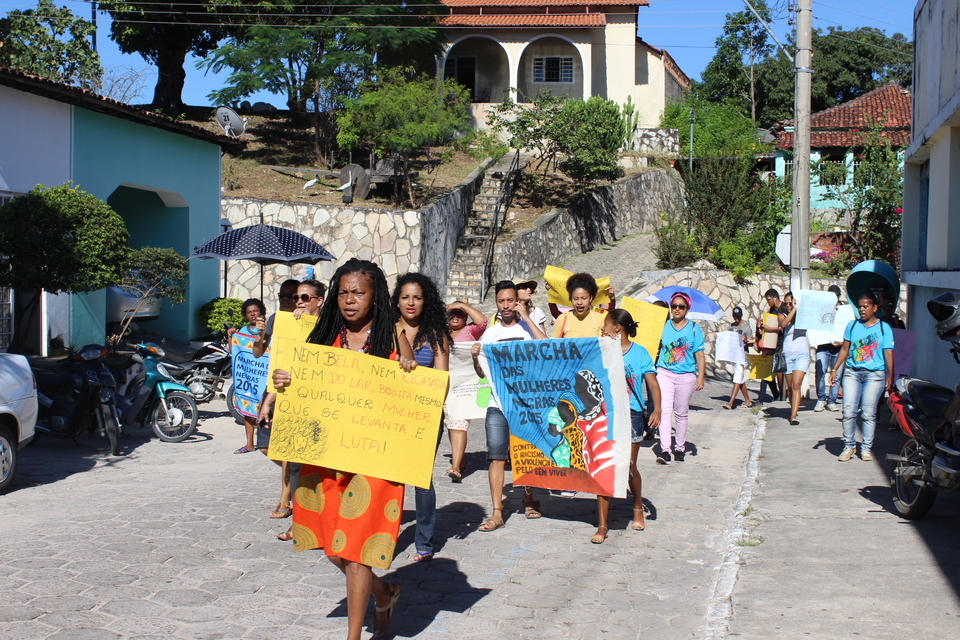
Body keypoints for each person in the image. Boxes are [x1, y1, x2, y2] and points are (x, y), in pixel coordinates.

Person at [272, 258, 417, 640]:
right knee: (333, 547)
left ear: (375, 297)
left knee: (354, 552)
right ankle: (384, 592)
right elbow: (301, 385)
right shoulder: (322, 339)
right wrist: (285, 380)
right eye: (343, 292)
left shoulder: (391, 337)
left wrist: (407, 372)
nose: (349, 300)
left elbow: (413, 394)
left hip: (374, 459)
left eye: (359, 292)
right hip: (327, 458)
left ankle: (354, 636)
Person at [470, 280, 548, 531]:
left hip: (525, 402)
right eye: (501, 301)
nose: (505, 306)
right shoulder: (491, 333)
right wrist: (475, 357)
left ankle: (528, 498)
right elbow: (482, 373)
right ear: (496, 303)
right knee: (496, 457)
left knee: (525, 452)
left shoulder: (527, 328)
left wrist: (526, 317)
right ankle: (496, 512)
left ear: (518, 301)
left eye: (510, 301)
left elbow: (547, 347)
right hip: (497, 403)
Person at [392, 273, 451, 563]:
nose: (411, 302)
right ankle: (384, 535)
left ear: (425, 300)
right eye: (405, 297)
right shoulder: (386, 329)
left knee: (420, 476)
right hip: (388, 414)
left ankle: (424, 541)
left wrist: (429, 408)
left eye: (417, 297)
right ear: (397, 300)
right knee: (389, 475)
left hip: (425, 415)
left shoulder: (436, 334)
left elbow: (443, 378)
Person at [259, 280, 324, 537]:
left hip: (323, 405)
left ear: (319, 300)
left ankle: (322, 520)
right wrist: (268, 403)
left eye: (305, 297)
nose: (299, 302)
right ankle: (300, 523)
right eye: (297, 297)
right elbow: (284, 366)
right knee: (296, 463)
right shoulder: (290, 325)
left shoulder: (331, 326)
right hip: (294, 403)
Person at [592, 310, 661, 544]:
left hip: (631, 415)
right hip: (606, 414)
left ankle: (638, 506)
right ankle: (602, 524)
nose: (603, 329)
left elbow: (653, 384)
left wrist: (657, 409)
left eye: (606, 325)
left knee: (629, 465)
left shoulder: (640, 353)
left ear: (618, 328)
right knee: (605, 466)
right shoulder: (601, 350)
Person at [828, 293, 894, 462]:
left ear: (875, 308)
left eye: (865, 306)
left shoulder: (883, 328)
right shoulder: (852, 326)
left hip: (875, 375)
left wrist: (890, 376)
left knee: (868, 413)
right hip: (852, 373)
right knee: (849, 411)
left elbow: (888, 353)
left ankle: (865, 448)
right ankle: (849, 446)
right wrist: (835, 369)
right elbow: (844, 349)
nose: (862, 310)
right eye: (859, 306)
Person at [655, 292, 705, 464]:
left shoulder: (694, 328)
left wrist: (701, 377)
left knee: (681, 413)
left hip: (686, 376)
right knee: (664, 410)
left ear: (687, 309)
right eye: (674, 306)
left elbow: (699, 355)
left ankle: (680, 448)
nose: (677, 309)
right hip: (664, 373)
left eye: (681, 306)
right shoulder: (662, 326)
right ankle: (665, 450)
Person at [445, 301, 488, 481]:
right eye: (452, 313)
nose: (456, 316)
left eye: (460, 314)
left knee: (458, 422)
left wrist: (462, 306)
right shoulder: (442, 333)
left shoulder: (470, 331)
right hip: (447, 385)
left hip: (466, 386)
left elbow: (483, 322)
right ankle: (460, 460)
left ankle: (455, 466)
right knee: (451, 421)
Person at [233, 298, 266, 455]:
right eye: (249, 312)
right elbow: (234, 351)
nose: (253, 314)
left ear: (261, 311)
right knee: (249, 410)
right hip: (249, 377)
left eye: (255, 310)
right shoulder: (242, 332)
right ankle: (249, 444)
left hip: (265, 376)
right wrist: (230, 336)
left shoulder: (269, 328)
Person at [779, 292, 810, 425]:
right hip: (788, 355)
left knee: (796, 384)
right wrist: (794, 310)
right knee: (790, 387)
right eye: (786, 303)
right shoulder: (782, 315)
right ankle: (793, 409)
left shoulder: (804, 317)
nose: (788, 305)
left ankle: (794, 415)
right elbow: (784, 324)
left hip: (801, 354)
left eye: (791, 303)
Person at [252, 279, 300, 359]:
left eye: (290, 295)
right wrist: (262, 332)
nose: (285, 298)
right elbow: (257, 354)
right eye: (282, 295)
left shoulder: (306, 320)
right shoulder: (274, 319)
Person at [814, 285, 844, 412]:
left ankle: (831, 401)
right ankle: (821, 399)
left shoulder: (844, 310)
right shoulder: (820, 307)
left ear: (838, 296)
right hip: (823, 346)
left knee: (836, 375)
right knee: (820, 372)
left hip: (839, 348)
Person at [552, 272, 607, 338]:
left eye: (584, 298)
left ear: (590, 298)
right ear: (570, 298)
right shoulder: (562, 319)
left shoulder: (601, 319)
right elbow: (554, 345)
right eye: (575, 298)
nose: (579, 302)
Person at [756, 289, 785, 411]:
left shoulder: (783, 309)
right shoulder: (772, 311)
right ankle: (777, 395)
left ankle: (783, 396)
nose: (767, 302)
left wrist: (770, 328)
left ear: (774, 298)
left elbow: (783, 327)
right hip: (774, 344)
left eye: (768, 299)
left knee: (780, 370)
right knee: (771, 370)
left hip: (783, 343)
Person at [722, 306, 755, 410]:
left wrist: (745, 340)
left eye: (738, 316)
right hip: (733, 355)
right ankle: (748, 401)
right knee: (740, 378)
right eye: (735, 316)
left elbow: (751, 343)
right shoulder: (731, 327)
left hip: (742, 356)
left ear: (741, 316)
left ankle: (731, 402)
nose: (736, 318)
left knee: (737, 377)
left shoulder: (746, 328)